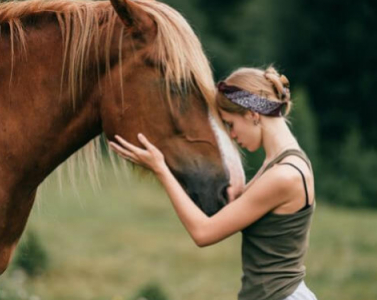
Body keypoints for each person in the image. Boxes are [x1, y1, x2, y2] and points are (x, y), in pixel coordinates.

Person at [109, 66, 318, 300]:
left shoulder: (283, 176)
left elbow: (203, 233)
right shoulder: (285, 161)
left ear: (253, 114)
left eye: (230, 124)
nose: (232, 135)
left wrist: (161, 169)